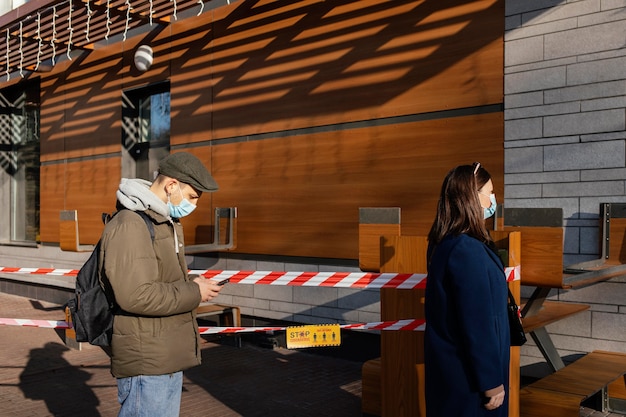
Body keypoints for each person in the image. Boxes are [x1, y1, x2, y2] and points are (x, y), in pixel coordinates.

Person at [100, 152, 224, 417]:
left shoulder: (163, 221)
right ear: (171, 186)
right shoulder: (131, 224)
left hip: (164, 353)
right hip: (147, 359)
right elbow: (135, 294)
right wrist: (194, 292)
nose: (193, 205)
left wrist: (193, 282)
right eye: (192, 196)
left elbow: (157, 279)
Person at [424, 162, 509, 417]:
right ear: (473, 197)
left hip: (454, 371)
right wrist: (491, 382)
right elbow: (477, 322)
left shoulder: (446, 242)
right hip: (470, 379)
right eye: (490, 192)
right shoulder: (466, 250)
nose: (493, 199)